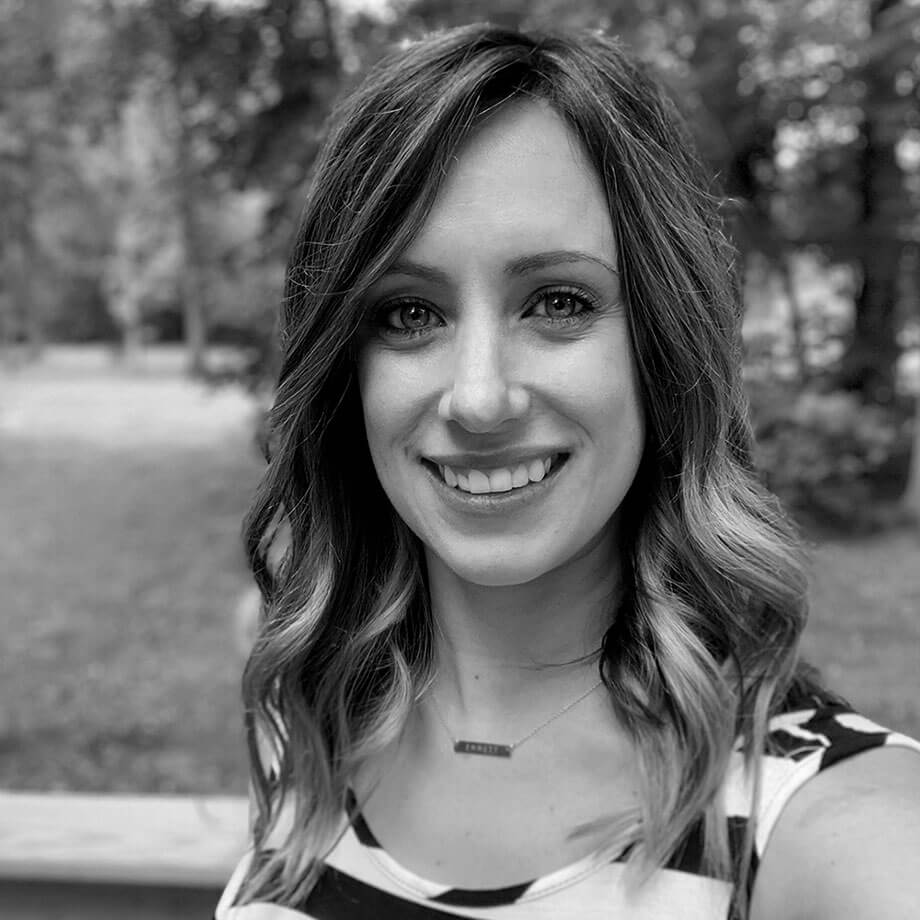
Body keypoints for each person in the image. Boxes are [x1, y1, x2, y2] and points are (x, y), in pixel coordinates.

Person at [216, 23, 920, 920]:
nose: (478, 398)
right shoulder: (312, 707)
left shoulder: (824, 824)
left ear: (664, 348)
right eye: (408, 313)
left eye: (558, 302)